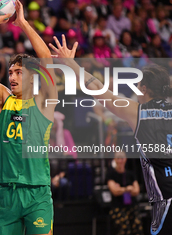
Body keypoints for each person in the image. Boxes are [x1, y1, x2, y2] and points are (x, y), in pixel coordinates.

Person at [50, 34, 172, 235]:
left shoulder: (137, 112)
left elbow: (97, 88)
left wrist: (71, 64)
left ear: (143, 88)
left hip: (166, 200)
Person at [0, 0, 60, 235]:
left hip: (37, 193)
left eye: (19, 72)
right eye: (10, 72)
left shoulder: (43, 102)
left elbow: (47, 62)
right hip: (7, 194)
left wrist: (22, 23)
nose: (12, 77)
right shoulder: (3, 99)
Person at [106, 151, 143, 235]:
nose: (120, 161)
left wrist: (121, 189)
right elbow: (115, 191)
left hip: (131, 205)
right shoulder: (111, 174)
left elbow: (136, 191)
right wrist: (128, 189)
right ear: (115, 159)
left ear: (125, 159)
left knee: (137, 226)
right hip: (118, 206)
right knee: (124, 227)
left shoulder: (131, 174)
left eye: (122, 158)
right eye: (118, 158)